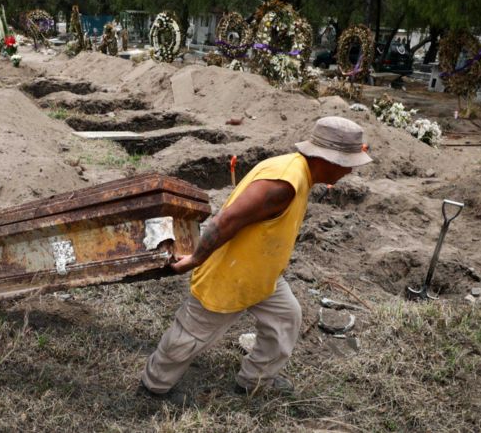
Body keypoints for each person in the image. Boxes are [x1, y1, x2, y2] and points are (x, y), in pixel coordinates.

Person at [140, 116, 373, 399]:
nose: (349, 171)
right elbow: (225, 221)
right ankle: (154, 385)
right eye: (347, 163)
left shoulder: (297, 171)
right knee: (189, 336)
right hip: (231, 273)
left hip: (261, 274)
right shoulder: (282, 184)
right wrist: (194, 259)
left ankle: (254, 380)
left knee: (286, 319)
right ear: (329, 160)